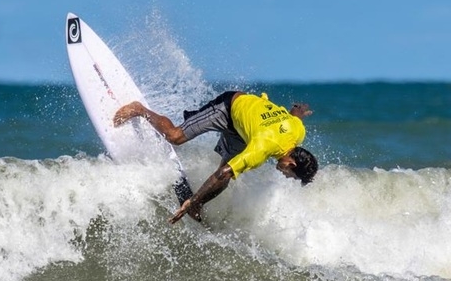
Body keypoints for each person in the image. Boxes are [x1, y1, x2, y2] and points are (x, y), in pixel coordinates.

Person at [113, 91, 318, 224]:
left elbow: (294, 117)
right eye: (291, 175)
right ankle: (139, 109)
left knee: (227, 177)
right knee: (175, 136)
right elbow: (221, 173)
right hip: (229, 108)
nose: (286, 176)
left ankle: (198, 204)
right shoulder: (261, 149)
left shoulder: (298, 132)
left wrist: (298, 110)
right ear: (291, 162)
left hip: (244, 132)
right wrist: (191, 200)